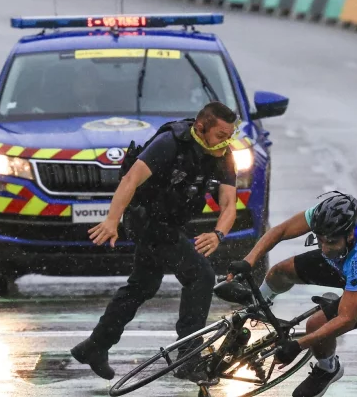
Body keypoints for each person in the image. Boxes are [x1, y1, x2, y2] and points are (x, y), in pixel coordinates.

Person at [70, 102, 239, 380]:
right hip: (145, 219)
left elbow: (229, 203)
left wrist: (218, 233)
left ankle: (95, 345)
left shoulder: (223, 154)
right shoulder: (169, 143)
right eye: (221, 136)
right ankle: (188, 356)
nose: (226, 142)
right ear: (200, 128)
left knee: (143, 285)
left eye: (230, 136)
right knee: (201, 276)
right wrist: (112, 220)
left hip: (171, 223)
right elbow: (129, 181)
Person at [216, 192, 357, 397]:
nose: (325, 248)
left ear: (350, 234)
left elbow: (346, 319)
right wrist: (248, 261)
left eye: (331, 242)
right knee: (280, 272)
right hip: (345, 260)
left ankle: (328, 368)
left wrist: (298, 345)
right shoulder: (327, 219)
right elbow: (281, 230)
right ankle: (253, 312)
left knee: (315, 326)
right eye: (320, 240)